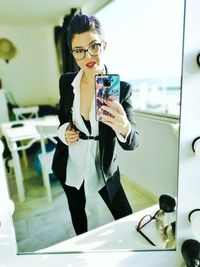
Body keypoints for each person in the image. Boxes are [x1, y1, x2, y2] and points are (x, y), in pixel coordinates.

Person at [52, 13, 139, 236]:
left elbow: (132, 143)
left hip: (104, 165)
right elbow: (62, 118)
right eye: (79, 50)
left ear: (104, 45)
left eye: (93, 46)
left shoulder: (121, 89)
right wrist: (64, 132)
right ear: (72, 53)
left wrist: (123, 126)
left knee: (126, 218)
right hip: (72, 162)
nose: (87, 56)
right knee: (77, 214)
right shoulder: (66, 83)